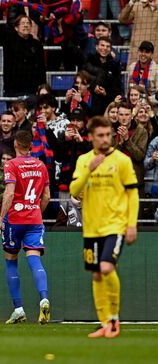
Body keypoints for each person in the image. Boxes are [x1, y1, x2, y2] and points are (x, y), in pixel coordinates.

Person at [70, 116, 139, 338]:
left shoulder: (122, 160)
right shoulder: (84, 160)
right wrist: (90, 169)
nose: (105, 139)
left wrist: (131, 224)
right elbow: (74, 190)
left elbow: (132, 193)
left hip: (115, 225)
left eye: (108, 134)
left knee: (107, 267)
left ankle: (114, 319)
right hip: (91, 227)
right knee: (97, 275)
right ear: (90, 137)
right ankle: (104, 323)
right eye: (100, 135)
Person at [0, 130, 51, 325]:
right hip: (34, 219)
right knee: (35, 260)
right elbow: (47, 197)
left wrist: (0, 219)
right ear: (31, 145)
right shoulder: (41, 165)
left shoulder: (12, 164)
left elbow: (9, 193)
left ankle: (18, 309)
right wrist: (36, 212)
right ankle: (44, 298)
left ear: (16, 145)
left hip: (15, 219)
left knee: (11, 261)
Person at [0, 1, 45, 97]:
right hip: (12, 89)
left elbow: (41, 68)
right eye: (22, 23)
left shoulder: (37, 45)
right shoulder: (8, 39)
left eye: (28, 23)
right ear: (16, 27)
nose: (25, 25)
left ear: (31, 27)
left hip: (31, 90)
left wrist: (41, 88)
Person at [119, 0, 158, 66]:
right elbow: (122, 19)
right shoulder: (137, 5)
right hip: (137, 51)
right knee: (134, 75)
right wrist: (131, 2)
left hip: (155, 52)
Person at [127, 41, 158, 109]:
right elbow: (127, 90)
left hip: (151, 107)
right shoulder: (131, 67)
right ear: (138, 51)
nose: (143, 54)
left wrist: (145, 100)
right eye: (141, 51)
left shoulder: (156, 69)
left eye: (147, 52)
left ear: (152, 54)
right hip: (132, 107)